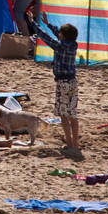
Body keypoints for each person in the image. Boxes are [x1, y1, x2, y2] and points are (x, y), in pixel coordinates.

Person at [35, 18, 80, 157]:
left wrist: (33, 23)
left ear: (63, 36)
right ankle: (76, 144)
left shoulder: (60, 46)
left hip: (62, 83)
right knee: (72, 114)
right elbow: (58, 35)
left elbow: (45, 38)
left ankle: (69, 144)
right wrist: (48, 24)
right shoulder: (73, 44)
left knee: (63, 114)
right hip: (72, 82)